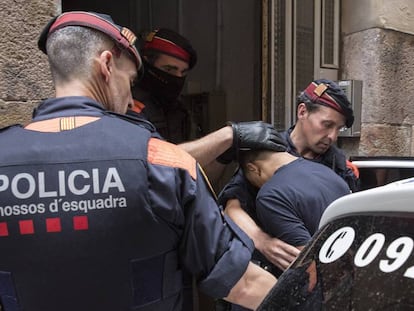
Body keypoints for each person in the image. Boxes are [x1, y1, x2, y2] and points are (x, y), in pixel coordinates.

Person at [0, 11, 278, 311]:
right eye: (129, 80)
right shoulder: (164, 160)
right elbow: (244, 283)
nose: (129, 95)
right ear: (106, 65)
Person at [219, 79, 358, 272]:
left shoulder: (339, 166)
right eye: (327, 125)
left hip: (322, 272)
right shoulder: (267, 151)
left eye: (338, 129)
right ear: (302, 112)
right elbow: (232, 208)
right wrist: (263, 241)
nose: (332, 137)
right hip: (268, 274)